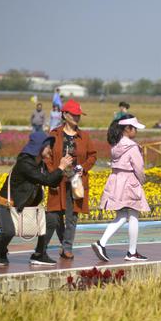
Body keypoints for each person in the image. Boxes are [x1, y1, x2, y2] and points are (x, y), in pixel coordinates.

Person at [0, 132, 73, 266]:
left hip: (25, 206)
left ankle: (39, 254)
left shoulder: (40, 164)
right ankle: (1, 252)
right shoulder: (24, 163)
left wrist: (64, 172)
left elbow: (51, 181)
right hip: (5, 206)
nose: (50, 149)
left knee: (52, 219)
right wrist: (61, 167)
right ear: (39, 147)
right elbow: (46, 179)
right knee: (8, 231)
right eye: (48, 147)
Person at [92, 115, 150, 262]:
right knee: (134, 215)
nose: (136, 130)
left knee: (122, 215)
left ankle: (102, 243)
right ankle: (131, 252)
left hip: (116, 180)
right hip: (130, 182)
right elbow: (139, 168)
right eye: (134, 128)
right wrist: (142, 181)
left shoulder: (116, 144)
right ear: (127, 129)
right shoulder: (132, 146)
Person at [43, 99, 97, 259]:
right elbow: (47, 156)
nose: (77, 118)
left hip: (76, 182)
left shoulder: (85, 136)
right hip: (57, 180)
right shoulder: (54, 134)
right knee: (54, 216)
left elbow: (92, 156)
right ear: (65, 114)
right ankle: (42, 248)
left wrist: (83, 168)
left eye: (79, 115)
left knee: (72, 216)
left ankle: (67, 247)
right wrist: (54, 173)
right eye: (74, 114)